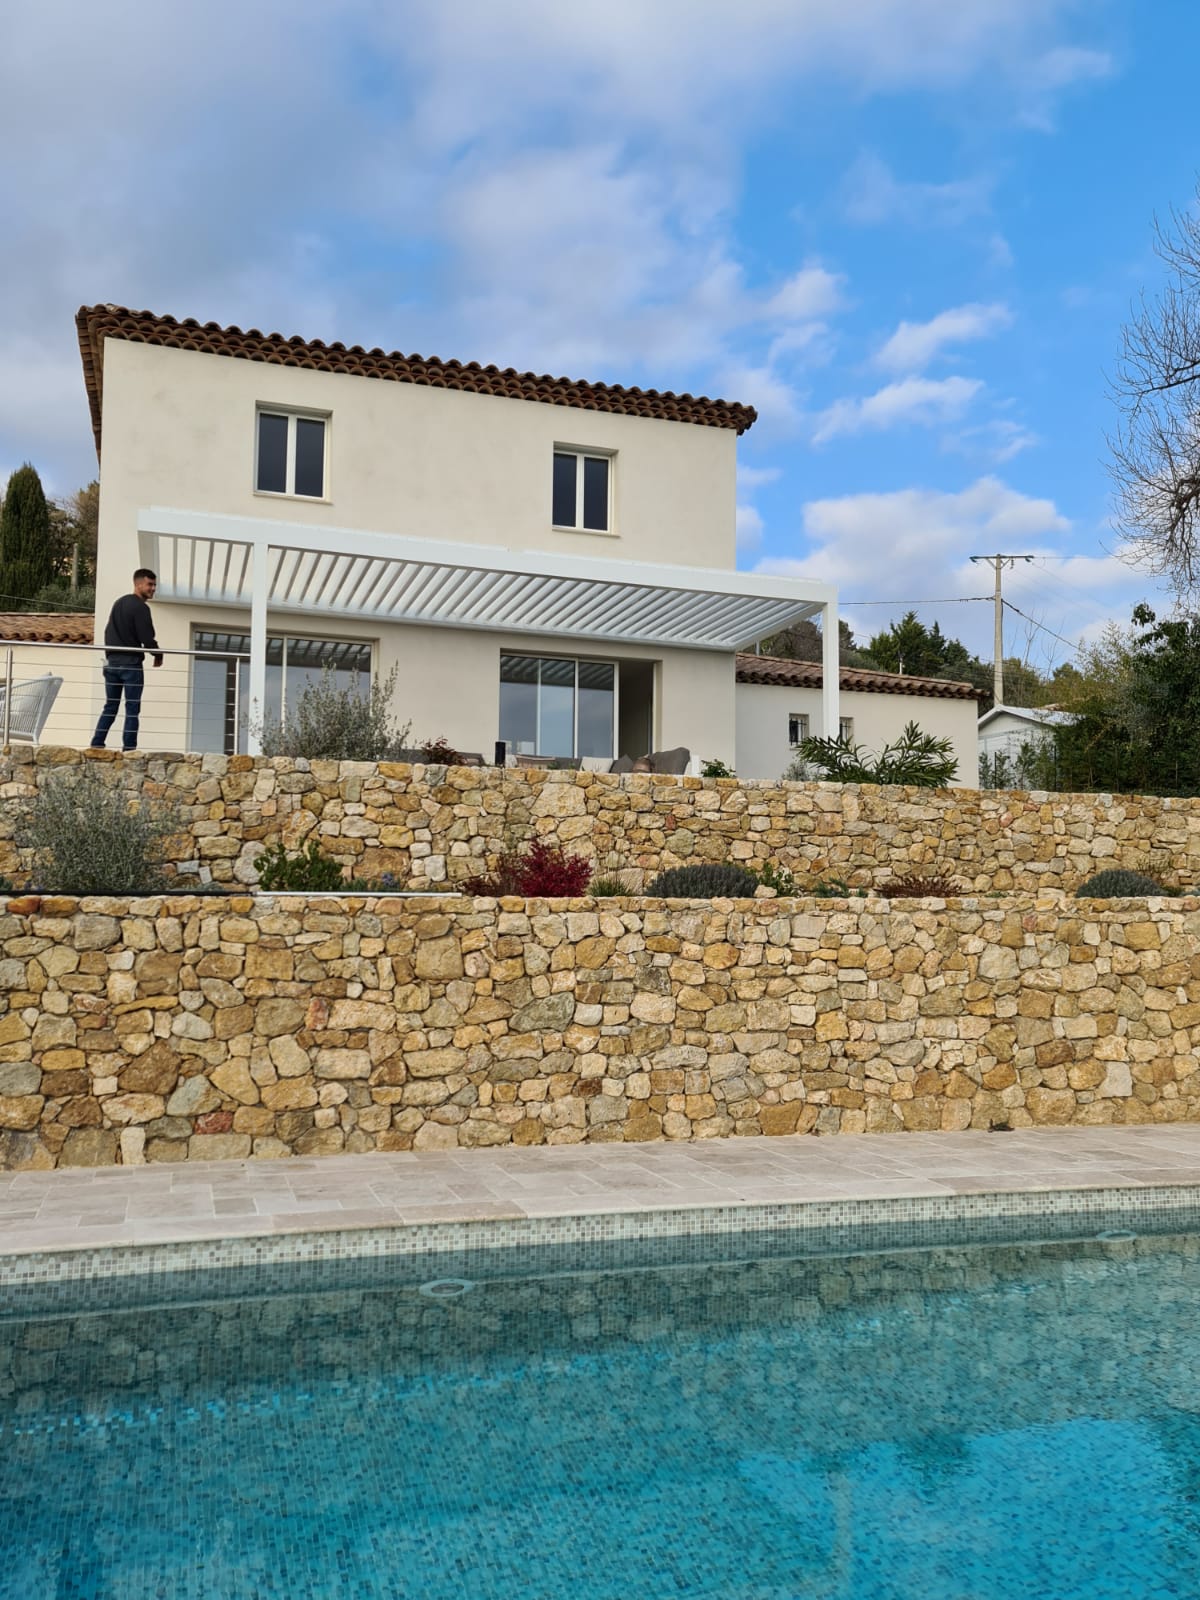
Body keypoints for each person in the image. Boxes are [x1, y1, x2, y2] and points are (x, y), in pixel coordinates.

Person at [89, 569, 164, 752]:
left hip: (112, 663)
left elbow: (108, 631)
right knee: (132, 707)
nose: (153, 588)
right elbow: (147, 637)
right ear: (138, 584)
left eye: (154, 585)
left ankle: (97, 743)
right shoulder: (141, 608)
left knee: (110, 706)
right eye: (150, 584)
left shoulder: (119, 603)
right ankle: (129, 749)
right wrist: (158, 654)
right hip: (131, 664)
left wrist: (109, 656)